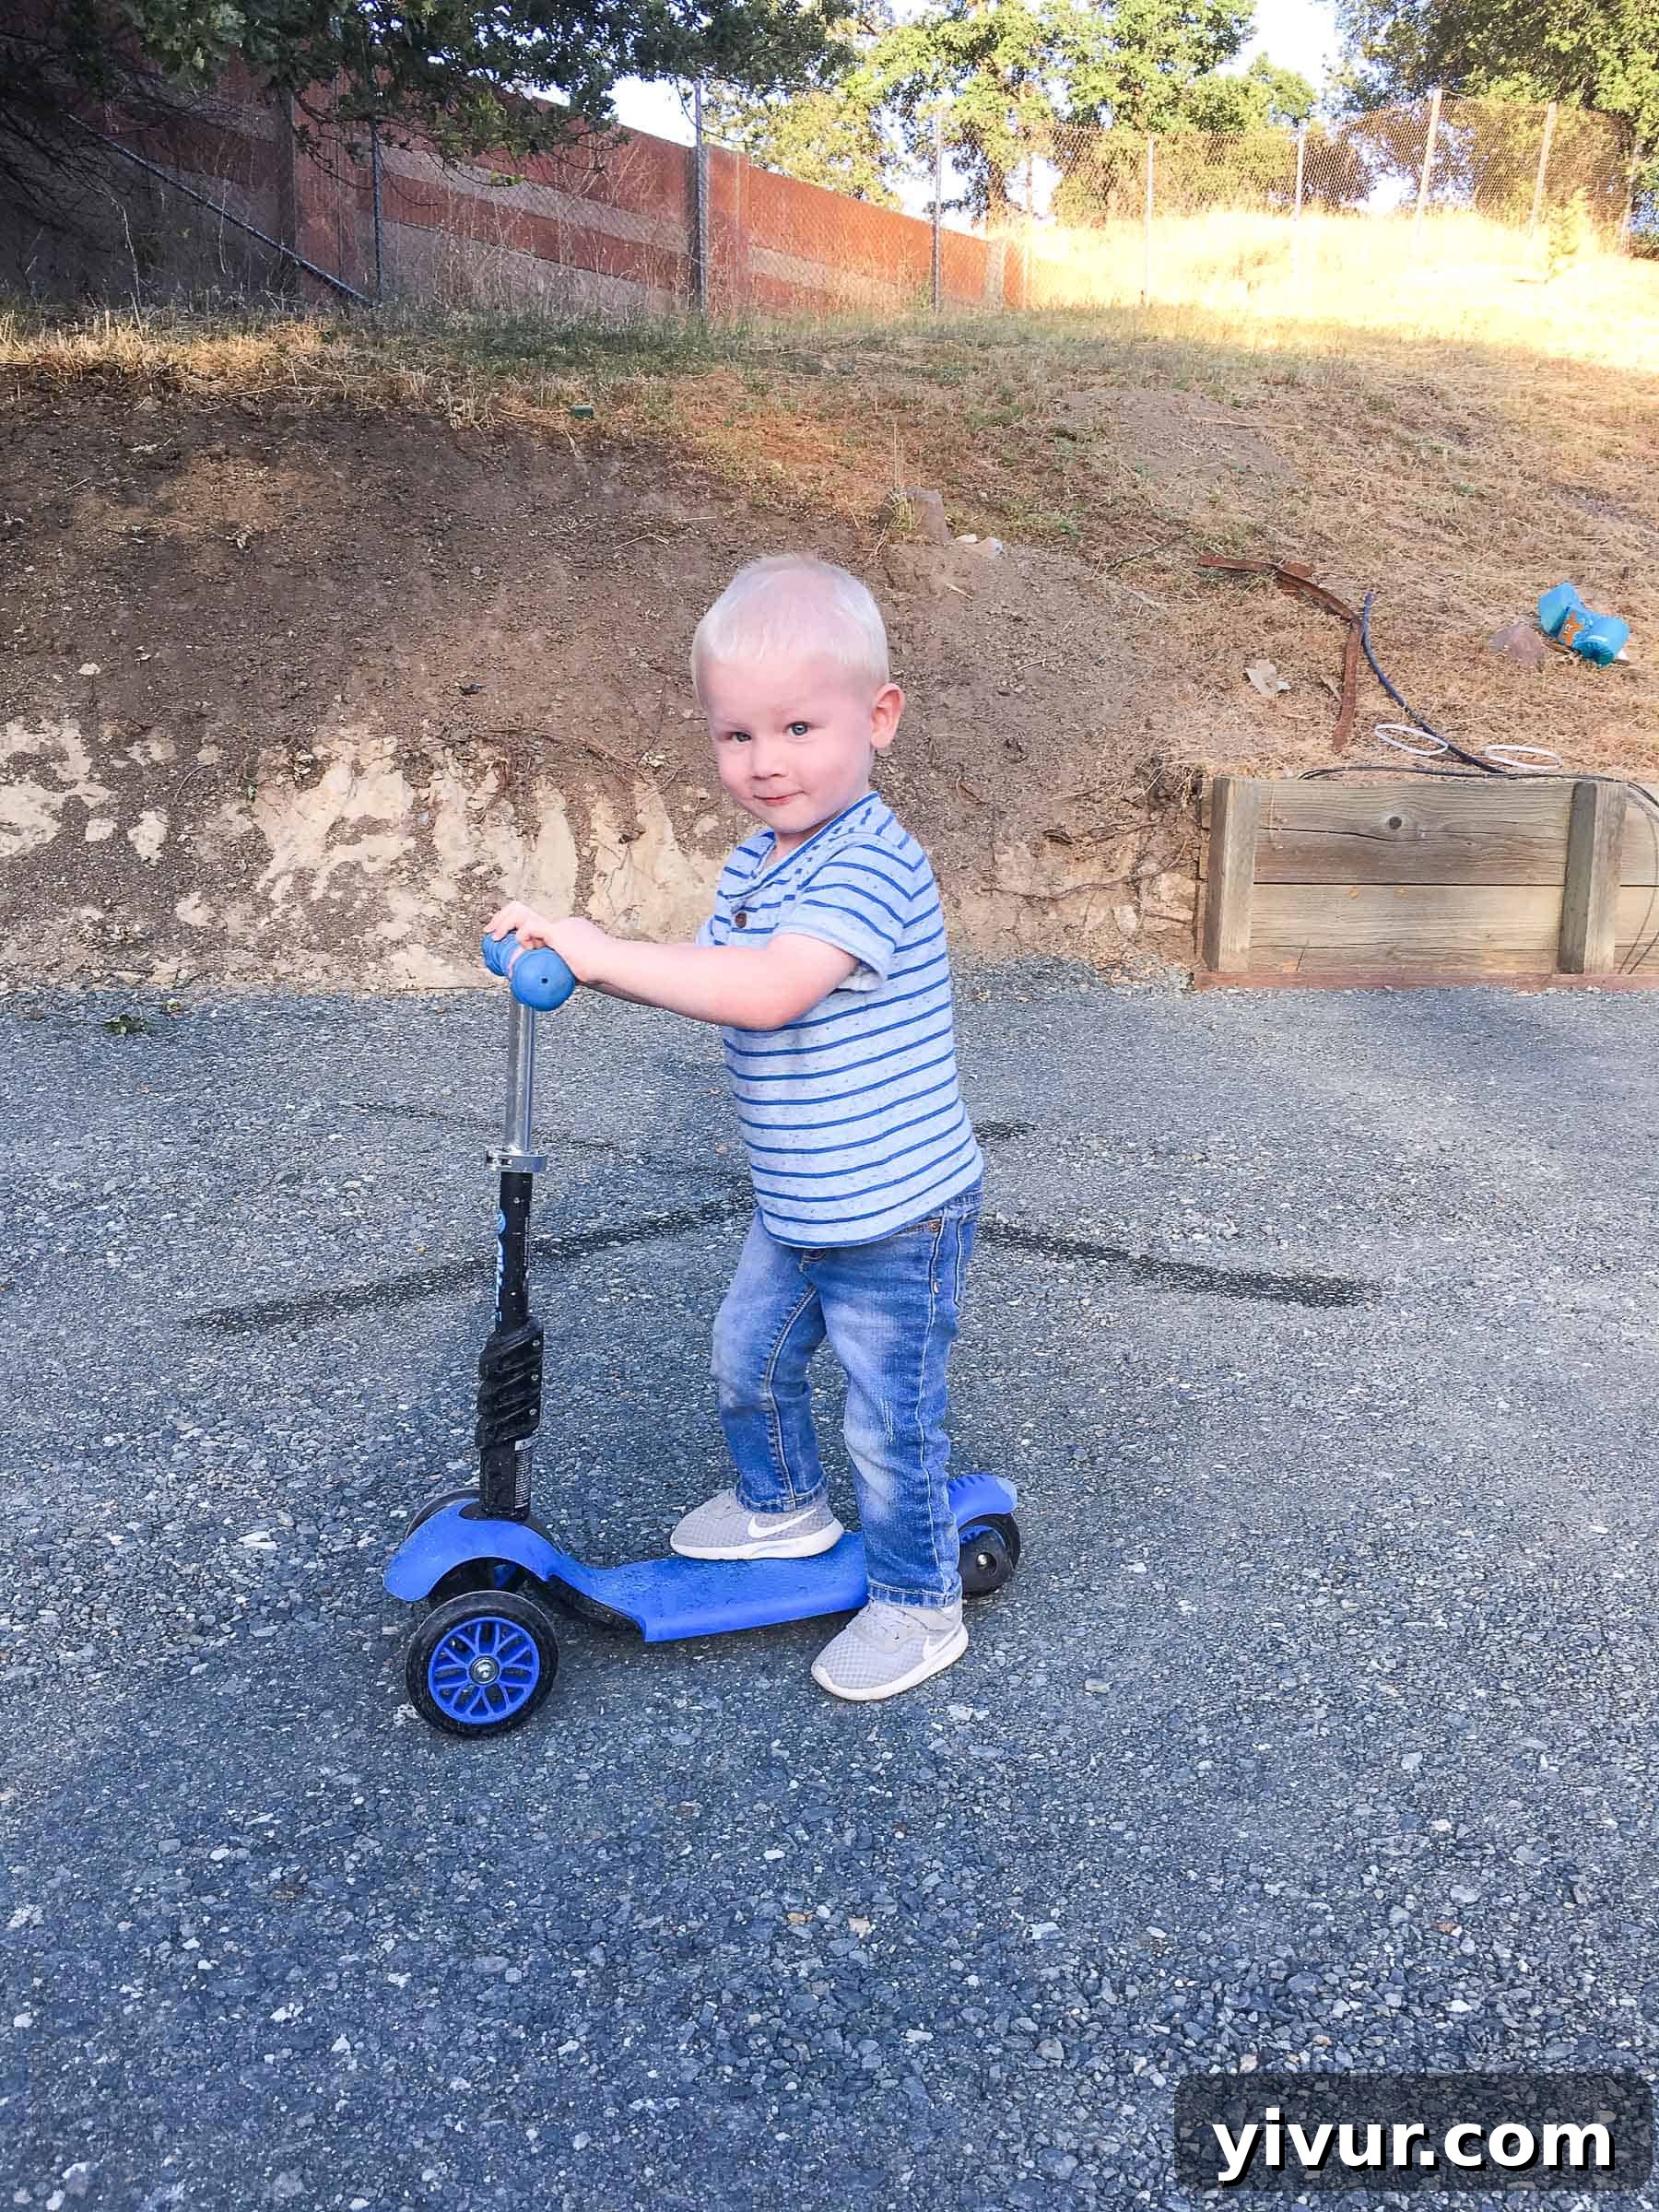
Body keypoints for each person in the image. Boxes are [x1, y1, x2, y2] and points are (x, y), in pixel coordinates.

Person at [484, 553, 986, 1701]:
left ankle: (920, 1603)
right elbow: (714, 966)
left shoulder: (875, 867)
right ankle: (782, 1511)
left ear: (880, 718)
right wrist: (579, 948)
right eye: (737, 736)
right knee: (744, 1362)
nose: (766, 764)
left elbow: (768, 990)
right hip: (801, 1201)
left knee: (890, 1427)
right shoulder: (758, 863)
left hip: (897, 1217)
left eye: (800, 727)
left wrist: (603, 955)